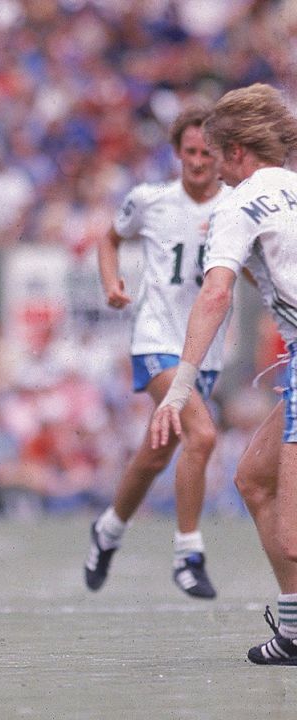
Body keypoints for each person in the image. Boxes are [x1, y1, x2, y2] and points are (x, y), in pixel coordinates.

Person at [150, 83, 297, 664]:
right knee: (254, 480)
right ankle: (295, 630)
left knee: (293, 532)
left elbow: (215, 293)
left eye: (214, 158)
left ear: (236, 152)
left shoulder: (238, 204)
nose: (212, 174)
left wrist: (178, 389)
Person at [83, 106, 227, 599]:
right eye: (190, 152)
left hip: (204, 351)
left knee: (159, 450)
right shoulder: (151, 200)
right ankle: (188, 554)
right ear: (177, 153)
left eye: (207, 152)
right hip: (157, 341)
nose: (198, 162)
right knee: (201, 436)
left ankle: (108, 530)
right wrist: (110, 284)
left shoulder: (235, 207)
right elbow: (109, 238)